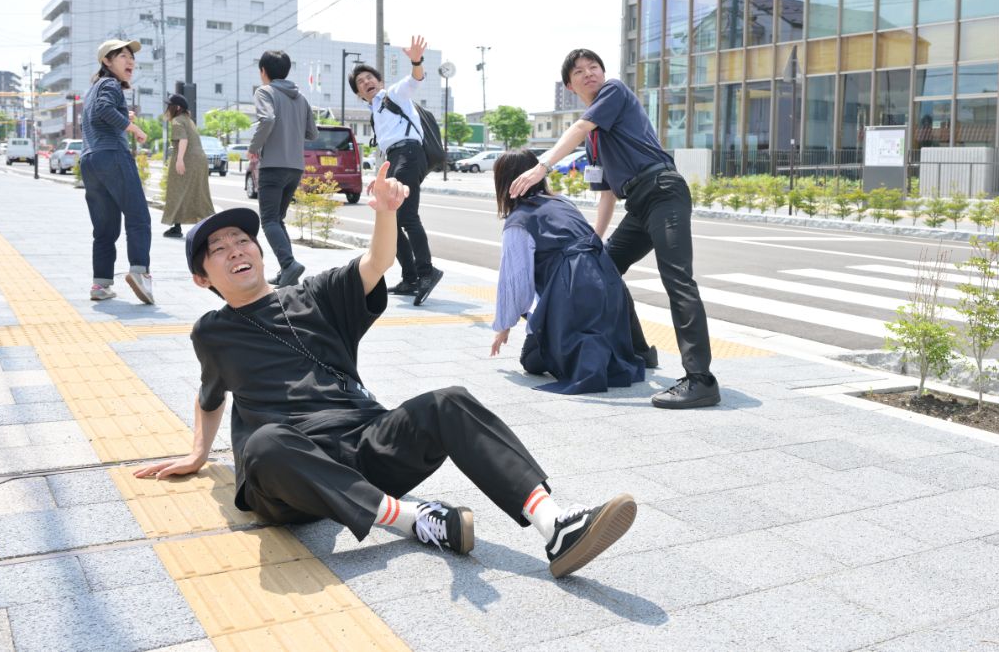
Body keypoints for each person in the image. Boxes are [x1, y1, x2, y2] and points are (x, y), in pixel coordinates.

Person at [131, 167, 637, 579]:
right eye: (217, 250)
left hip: (366, 447)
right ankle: (417, 520)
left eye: (242, 240)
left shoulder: (315, 294)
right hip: (290, 479)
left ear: (260, 252)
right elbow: (210, 395)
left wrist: (387, 213)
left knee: (450, 400)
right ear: (203, 279)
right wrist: (199, 453)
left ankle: (555, 526)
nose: (235, 250)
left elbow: (377, 261)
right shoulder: (212, 332)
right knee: (264, 444)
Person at [510, 49, 719, 410]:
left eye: (594, 67)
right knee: (602, 266)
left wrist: (541, 166)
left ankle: (701, 379)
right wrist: (595, 238)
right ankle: (639, 350)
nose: (589, 73)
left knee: (678, 280)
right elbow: (606, 192)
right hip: (639, 203)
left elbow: (577, 127)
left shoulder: (614, 93)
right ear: (569, 84)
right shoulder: (594, 139)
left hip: (664, 191)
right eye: (579, 71)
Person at [490, 149, 646, 394]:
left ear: (503, 183)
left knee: (530, 361)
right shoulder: (562, 202)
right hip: (605, 278)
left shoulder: (518, 222)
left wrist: (504, 326)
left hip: (572, 290)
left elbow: (516, 283)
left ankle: (580, 352)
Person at [348, 36, 442, 306]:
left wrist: (416, 61)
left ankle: (426, 272)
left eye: (369, 77)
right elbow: (387, 147)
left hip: (410, 154)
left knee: (406, 216)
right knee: (392, 217)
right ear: (359, 93)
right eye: (361, 82)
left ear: (378, 81)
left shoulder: (393, 95)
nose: (366, 82)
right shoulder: (376, 110)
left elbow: (415, 79)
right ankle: (411, 277)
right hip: (397, 158)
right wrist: (382, 178)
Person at [80, 38, 153, 304]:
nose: (130, 61)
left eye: (131, 57)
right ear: (107, 62)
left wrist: (124, 116)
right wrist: (133, 128)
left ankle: (100, 285)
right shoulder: (110, 83)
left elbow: (99, 114)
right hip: (112, 155)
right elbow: (104, 109)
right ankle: (140, 273)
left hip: (90, 161)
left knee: (105, 228)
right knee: (138, 216)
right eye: (122, 56)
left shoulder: (93, 89)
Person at [247, 50, 317, 287]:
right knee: (278, 219)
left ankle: (289, 264)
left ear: (263, 71)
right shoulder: (301, 98)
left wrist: (254, 147)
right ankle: (287, 269)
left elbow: (266, 119)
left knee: (268, 220)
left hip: (273, 166)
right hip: (295, 167)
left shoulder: (265, 91)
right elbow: (312, 133)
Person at [160, 94, 215, 239]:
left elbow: (183, 140)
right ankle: (210, 224)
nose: (168, 109)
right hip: (200, 160)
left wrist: (179, 160)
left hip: (187, 159)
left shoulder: (177, 120)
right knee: (199, 193)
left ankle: (177, 227)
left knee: (176, 191)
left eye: (170, 106)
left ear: (177, 108)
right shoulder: (190, 121)